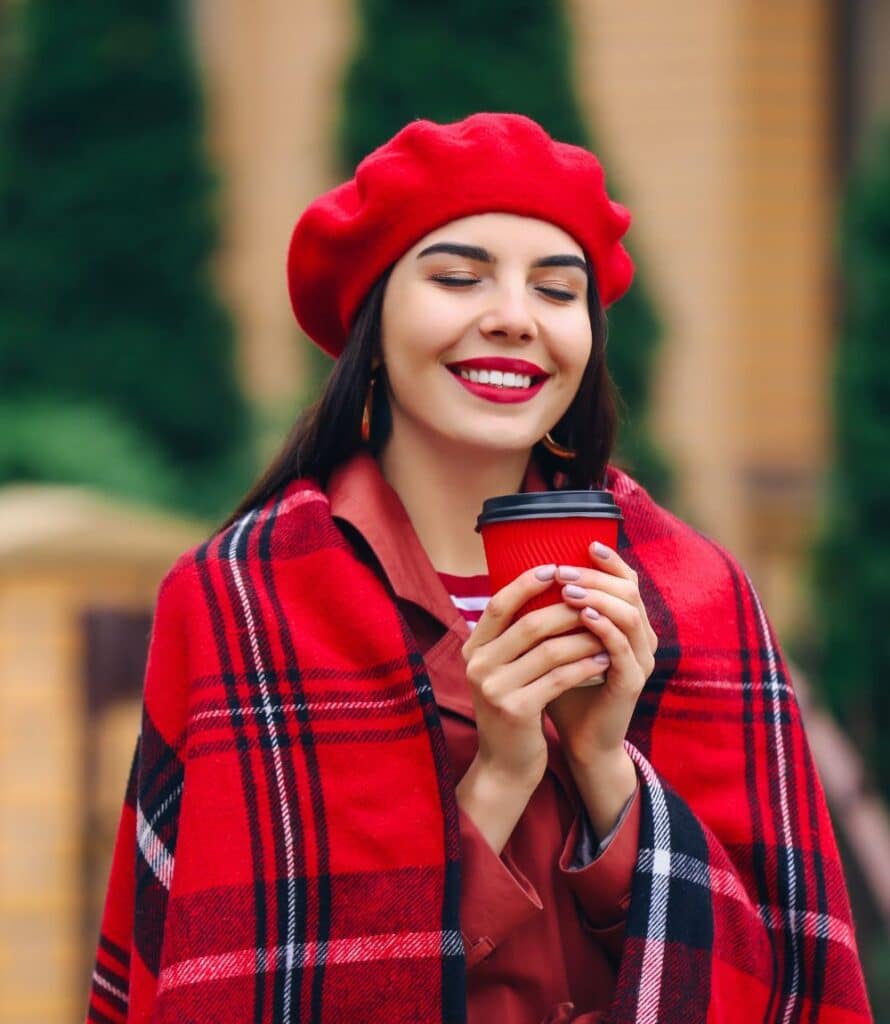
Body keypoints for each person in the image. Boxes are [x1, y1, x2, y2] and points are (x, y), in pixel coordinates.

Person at [87, 113, 872, 1024]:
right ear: (372, 325)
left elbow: (784, 980)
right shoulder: (241, 599)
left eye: (557, 290)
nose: (513, 317)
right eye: (459, 277)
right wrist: (498, 775)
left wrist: (601, 763)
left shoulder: (702, 593)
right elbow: (229, 982)